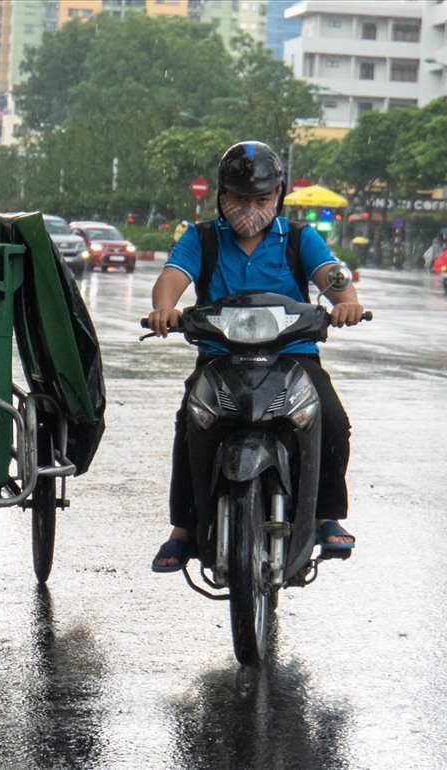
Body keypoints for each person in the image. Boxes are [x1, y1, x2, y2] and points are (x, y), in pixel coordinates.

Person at [147, 141, 364, 572]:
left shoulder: (299, 239)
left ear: (278, 196)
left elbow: (331, 278)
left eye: (261, 199)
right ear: (221, 196)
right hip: (219, 357)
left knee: (332, 419)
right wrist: (164, 308)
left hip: (293, 357)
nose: (250, 209)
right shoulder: (202, 238)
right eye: (239, 198)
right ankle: (184, 529)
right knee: (191, 422)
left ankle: (325, 515)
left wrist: (347, 303)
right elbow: (172, 278)